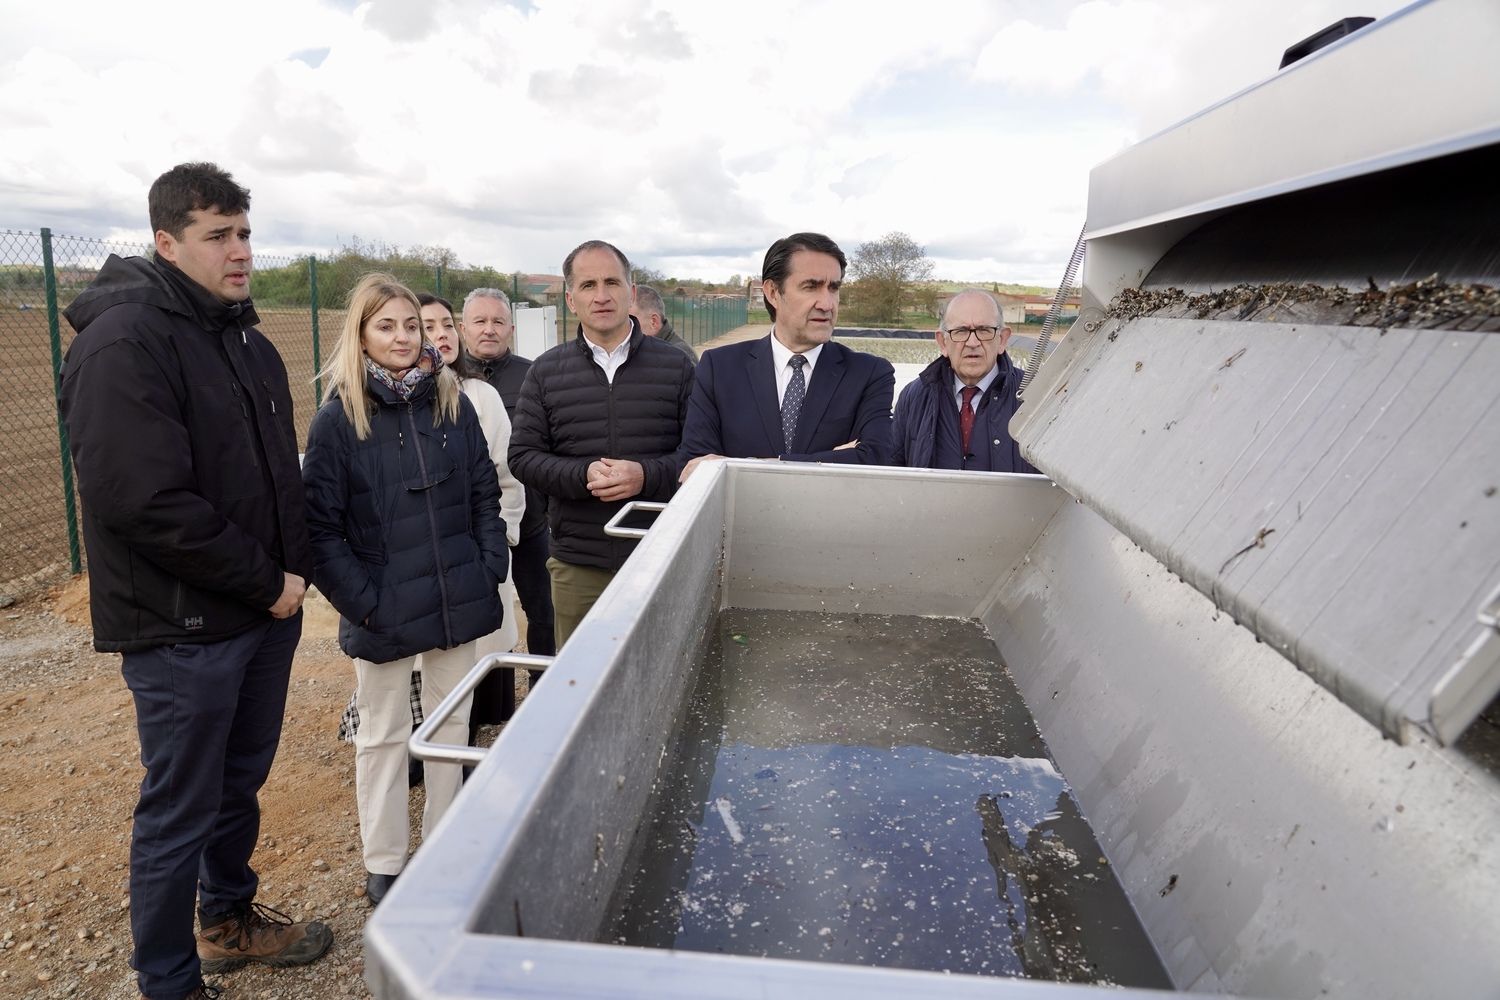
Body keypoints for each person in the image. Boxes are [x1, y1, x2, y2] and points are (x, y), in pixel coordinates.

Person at [59, 162, 332, 1000]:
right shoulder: (125, 341)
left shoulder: (241, 337)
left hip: (258, 615)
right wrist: (266, 581)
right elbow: (143, 502)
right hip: (183, 628)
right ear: (165, 241)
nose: (239, 250)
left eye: (245, 231)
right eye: (218, 236)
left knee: (235, 785)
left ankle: (228, 920)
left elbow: (269, 478)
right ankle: (169, 980)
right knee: (180, 807)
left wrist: (298, 575)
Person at [301, 274, 507, 907]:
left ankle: (445, 846)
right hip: (383, 609)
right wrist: (365, 602)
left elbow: (482, 493)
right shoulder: (339, 419)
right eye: (385, 326)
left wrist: (488, 563)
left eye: (411, 325)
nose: (401, 337)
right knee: (384, 734)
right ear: (360, 334)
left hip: (456, 599)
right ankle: (385, 861)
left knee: (451, 727)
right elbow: (319, 529)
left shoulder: (453, 404)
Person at [508, 240, 695, 648]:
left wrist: (644, 475)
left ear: (632, 290)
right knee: (580, 683)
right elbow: (522, 457)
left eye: (612, 282)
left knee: (661, 674)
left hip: (660, 554)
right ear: (571, 299)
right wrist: (581, 473)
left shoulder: (677, 366)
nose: (602, 295)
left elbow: (699, 454)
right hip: (578, 564)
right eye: (589, 285)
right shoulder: (545, 372)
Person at [677, 232, 894, 481]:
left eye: (833, 288)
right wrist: (830, 460)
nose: (827, 303)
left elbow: (876, 460)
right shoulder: (719, 368)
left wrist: (747, 465)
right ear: (772, 292)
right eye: (810, 286)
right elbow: (693, 468)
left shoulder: (869, 374)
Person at [420, 292, 527, 730]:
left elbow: (507, 474)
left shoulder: (480, 395)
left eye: (446, 324)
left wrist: (500, 538)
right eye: (427, 326)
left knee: (479, 649)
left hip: (476, 551)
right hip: (417, 562)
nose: (440, 335)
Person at [461, 288, 556, 663]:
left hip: (531, 522)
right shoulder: (449, 380)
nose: (489, 329)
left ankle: (541, 684)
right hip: (472, 528)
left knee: (542, 611)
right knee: (483, 617)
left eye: (498, 321)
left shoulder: (534, 375)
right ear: (463, 328)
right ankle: (489, 701)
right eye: (480, 321)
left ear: (511, 328)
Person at [891, 289, 1040, 473]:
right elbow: (894, 472)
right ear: (943, 342)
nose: (972, 342)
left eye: (984, 330)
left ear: (1002, 340)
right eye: (961, 331)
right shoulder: (914, 396)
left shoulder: (1036, 397)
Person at [631, 284, 698, 362]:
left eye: (631, 321)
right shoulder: (643, 350)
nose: (624, 329)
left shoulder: (680, 357)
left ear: (653, 322)